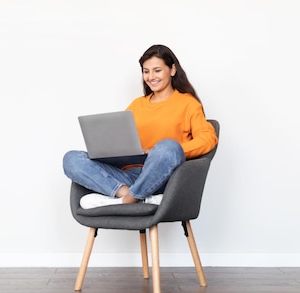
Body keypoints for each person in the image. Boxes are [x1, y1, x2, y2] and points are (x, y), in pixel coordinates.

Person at [63, 44, 218, 209]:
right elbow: (121, 139)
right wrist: (108, 150)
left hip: (161, 177)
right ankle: (131, 195)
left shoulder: (188, 103)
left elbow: (208, 139)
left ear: (172, 70)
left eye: (157, 70)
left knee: (167, 147)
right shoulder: (137, 105)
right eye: (146, 71)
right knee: (72, 159)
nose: (151, 77)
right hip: (127, 176)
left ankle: (127, 200)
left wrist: (166, 151)